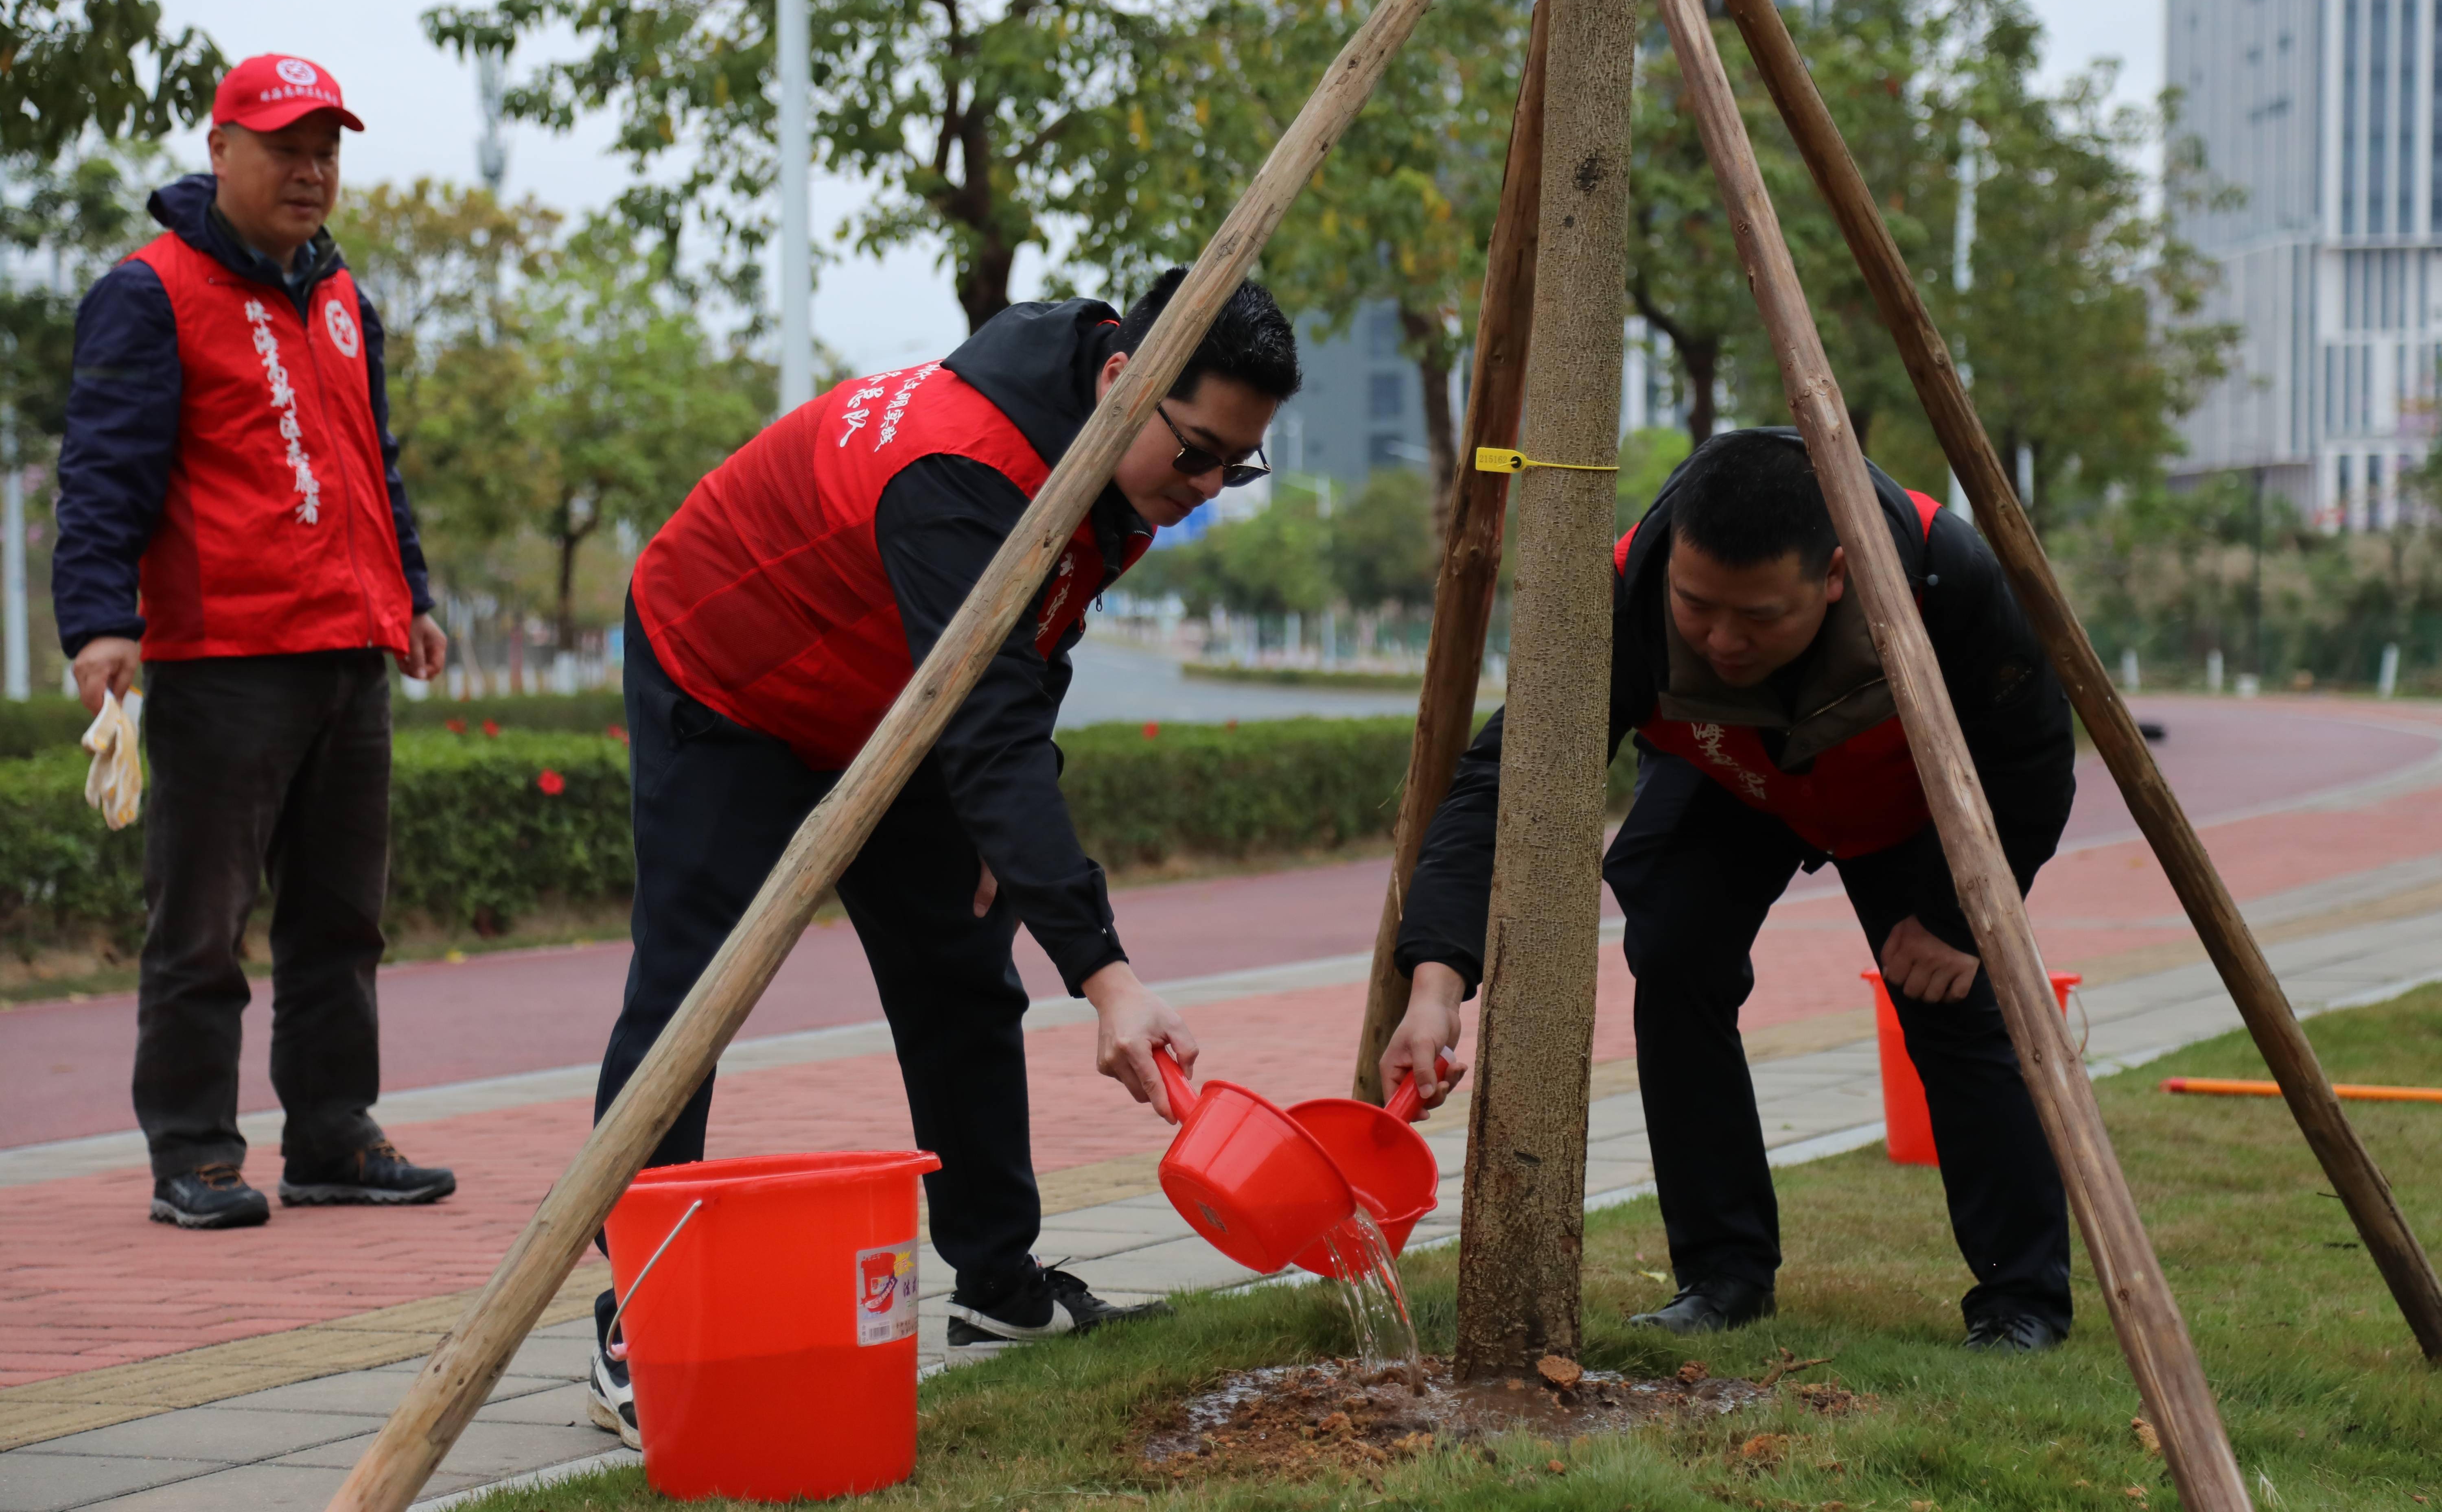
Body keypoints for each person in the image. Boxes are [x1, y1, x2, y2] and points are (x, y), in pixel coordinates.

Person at [585, 268, 1300, 1445]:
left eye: (1239, 465)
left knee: (964, 970)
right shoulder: (963, 471)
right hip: (730, 672)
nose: (1209, 487)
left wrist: (1001, 839)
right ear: (1123, 383)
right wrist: (1107, 972)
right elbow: (990, 716)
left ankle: (999, 1290)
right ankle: (643, 1321)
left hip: (896, 693)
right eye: (1200, 456)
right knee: (691, 996)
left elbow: (1030, 652)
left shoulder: (1113, 453)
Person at [1385, 429, 2078, 1351]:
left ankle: (2021, 1297)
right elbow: (1502, 784)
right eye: (1697, 606)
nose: (1720, 639)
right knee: (1673, 952)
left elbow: (2032, 759)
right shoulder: (1628, 594)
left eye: (1758, 616)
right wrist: (1435, 980)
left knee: (1951, 1000)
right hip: (1732, 777)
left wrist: (1961, 920)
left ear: (1834, 575)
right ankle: (1723, 1273)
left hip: (1906, 794)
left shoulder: (1944, 576)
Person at [53, 54, 456, 1231]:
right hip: (224, 660)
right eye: (286, 146)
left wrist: (413, 593)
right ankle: (195, 1154)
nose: (311, 169)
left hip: (350, 650)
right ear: (220, 148)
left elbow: (372, 467)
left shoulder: (341, 299)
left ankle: (332, 1137)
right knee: (203, 923)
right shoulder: (149, 290)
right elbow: (103, 476)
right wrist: (98, 624)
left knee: (341, 920)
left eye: (327, 148)